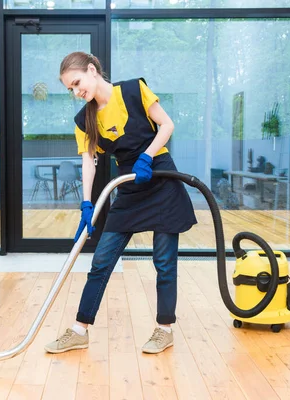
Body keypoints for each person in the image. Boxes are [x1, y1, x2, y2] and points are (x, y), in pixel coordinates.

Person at [44, 51, 197, 355]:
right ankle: (79, 330)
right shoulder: (84, 119)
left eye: (76, 83)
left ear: (92, 70)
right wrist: (86, 205)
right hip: (128, 186)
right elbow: (89, 163)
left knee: (164, 263)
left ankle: (164, 330)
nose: (76, 93)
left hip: (161, 179)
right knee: (101, 261)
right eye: (70, 89)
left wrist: (147, 155)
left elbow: (166, 125)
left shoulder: (132, 90)